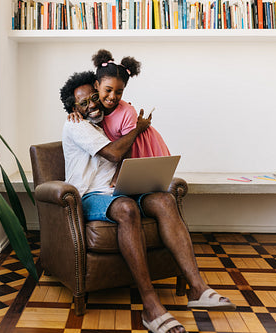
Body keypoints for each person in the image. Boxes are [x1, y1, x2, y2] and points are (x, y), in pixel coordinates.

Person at [60, 71, 236, 333]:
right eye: (83, 103)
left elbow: (117, 100)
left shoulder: (105, 121)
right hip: (89, 196)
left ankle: (197, 287)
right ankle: (150, 304)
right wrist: (139, 128)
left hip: (119, 190)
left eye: (94, 97)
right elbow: (113, 153)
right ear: (73, 108)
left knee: (165, 200)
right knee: (127, 209)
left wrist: (133, 120)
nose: (93, 105)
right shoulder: (76, 125)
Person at [69, 49, 170, 159]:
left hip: (143, 149)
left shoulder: (127, 112)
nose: (112, 97)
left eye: (119, 92)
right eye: (108, 90)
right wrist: (73, 113)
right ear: (96, 85)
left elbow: (128, 149)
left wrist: (120, 176)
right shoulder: (95, 107)